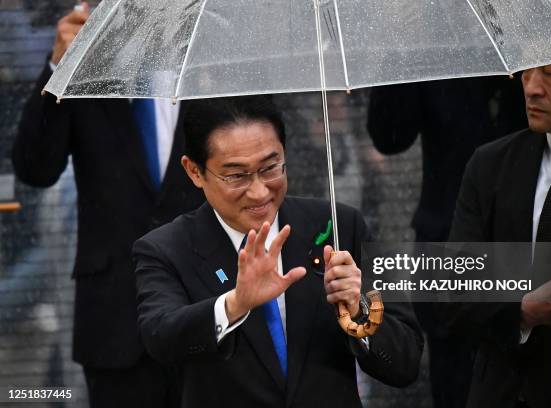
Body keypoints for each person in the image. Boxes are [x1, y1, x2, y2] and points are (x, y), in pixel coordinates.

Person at [132, 96, 424, 408]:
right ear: (194, 171)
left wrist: (358, 311)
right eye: (236, 175)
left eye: (270, 167)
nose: (259, 191)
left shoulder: (340, 226)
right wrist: (234, 304)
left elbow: (405, 360)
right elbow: (160, 337)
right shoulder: (165, 249)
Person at [12, 3, 202, 407]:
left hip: (207, 309)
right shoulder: (85, 66)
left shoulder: (209, 60)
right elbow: (34, 167)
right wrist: (58, 69)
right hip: (114, 321)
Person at [447, 0, 551, 407]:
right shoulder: (491, 168)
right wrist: (522, 311)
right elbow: (451, 294)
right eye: (526, 68)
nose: (531, 85)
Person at [367, 76, 526, 408]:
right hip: (446, 243)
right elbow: (390, 135)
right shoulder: (432, 52)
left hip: (521, 239)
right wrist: (401, 43)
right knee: (454, 382)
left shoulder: (528, 58)